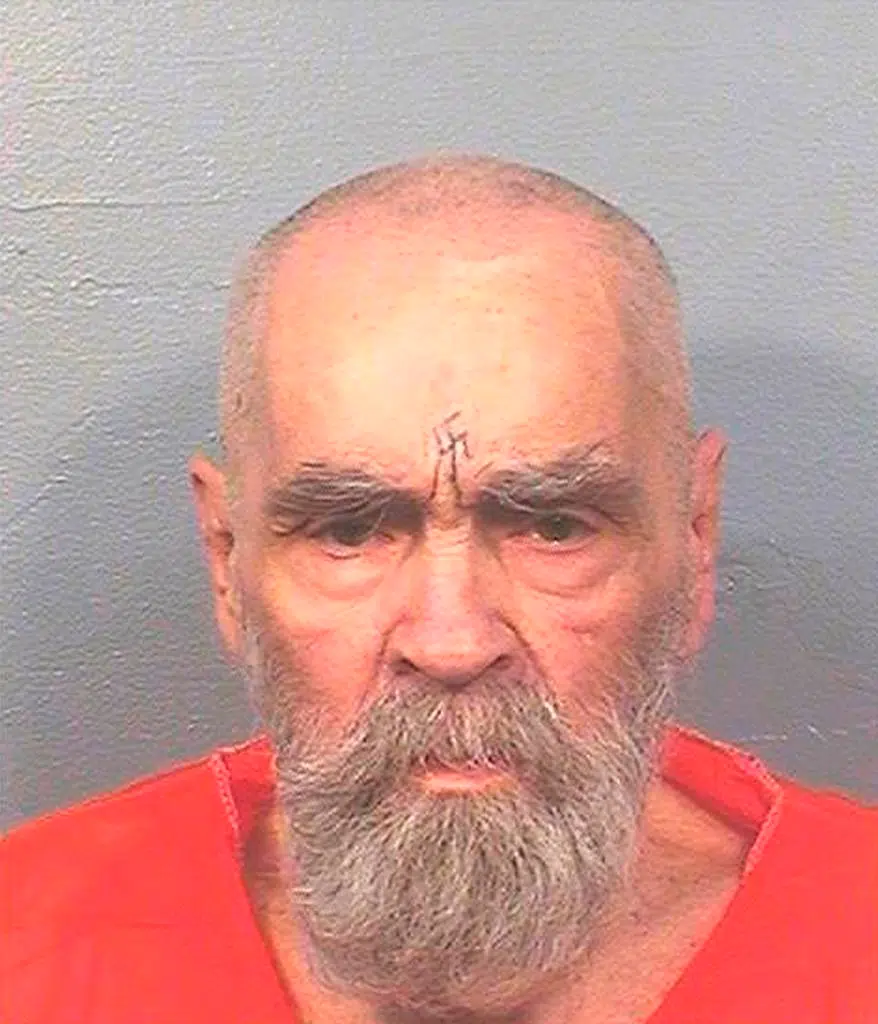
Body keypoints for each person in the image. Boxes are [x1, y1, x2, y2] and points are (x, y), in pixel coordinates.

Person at [2, 155, 875, 1024]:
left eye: (553, 526)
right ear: (227, 559)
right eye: (349, 531)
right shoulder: (25, 946)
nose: (453, 643)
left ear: (694, 538)